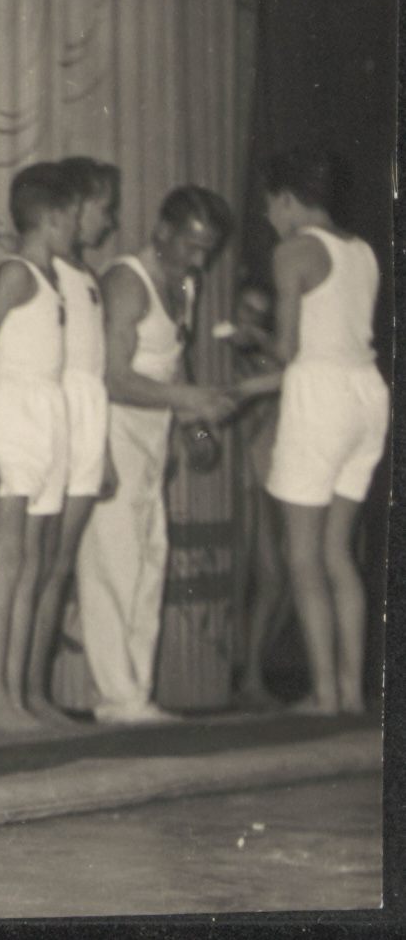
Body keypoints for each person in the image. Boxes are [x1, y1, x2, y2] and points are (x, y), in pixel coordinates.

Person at [77, 186, 236, 724]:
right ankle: (116, 697)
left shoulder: (186, 283)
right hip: (113, 430)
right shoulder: (127, 281)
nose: (200, 261)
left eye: (208, 250)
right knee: (112, 566)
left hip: (154, 434)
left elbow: (174, 362)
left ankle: (137, 694)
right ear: (162, 231)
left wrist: (194, 430)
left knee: (149, 565)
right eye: (192, 246)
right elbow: (114, 378)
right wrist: (189, 401)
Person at [237, 150, 386, 716]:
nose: (269, 217)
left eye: (271, 206)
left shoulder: (294, 250)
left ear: (288, 200)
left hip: (319, 397)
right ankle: (350, 692)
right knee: (337, 552)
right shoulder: (363, 251)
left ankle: (323, 694)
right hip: (366, 394)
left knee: (301, 555)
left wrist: (252, 336)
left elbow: (289, 349)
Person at [0, 162, 77, 734]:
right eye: (73, 217)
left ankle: (17, 696)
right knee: (6, 562)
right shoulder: (14, 273)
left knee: (32, 564)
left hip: (48, 414)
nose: (78, 228)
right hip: (10, 412)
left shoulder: (54, 278)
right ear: (52, 218)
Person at [21, 156, 121, 726]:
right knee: (35, 562)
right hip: (51, 410)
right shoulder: (45, 271)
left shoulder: (86, 275)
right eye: (101, 208)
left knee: (58, 566)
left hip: (87, 414)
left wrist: (101, 446)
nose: (107, 221)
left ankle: (36, 689)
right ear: (73, 209)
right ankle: (16, 691)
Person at [219, 281, 290, 709]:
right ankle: (240, 677)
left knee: (278, 580)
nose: (251, 322)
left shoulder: (266, 358)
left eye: (261, 316)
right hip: (232, 478)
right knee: (250, 576)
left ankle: (249, 673)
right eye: (245, 311)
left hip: (266, 475)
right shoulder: (219, 355)